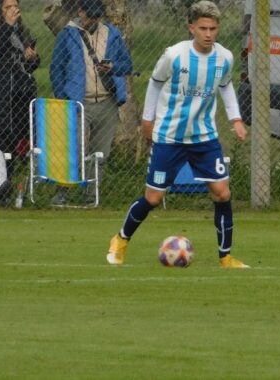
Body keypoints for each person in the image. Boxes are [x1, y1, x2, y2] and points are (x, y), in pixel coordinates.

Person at [106, 1, 250, 269]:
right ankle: (121, 240)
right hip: (169, 137)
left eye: (213, 28)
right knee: (153, 198)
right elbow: (155, 83)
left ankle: (226, 258)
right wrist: (148, 120)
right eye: (203, 28)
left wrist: (236, 119)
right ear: (191, 27)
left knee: (222, 193)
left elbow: (227, 86)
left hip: (204, 138)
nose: (208, 34)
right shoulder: (175, 55)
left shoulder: (224, 58)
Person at [50, 0, 133, 205]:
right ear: (81, 12)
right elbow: (56, 69)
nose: (94, 21)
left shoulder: (112, 34)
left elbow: (127, 64)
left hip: (107, 101)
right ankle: (63, 192)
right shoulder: (68, 34)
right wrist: (64, 97)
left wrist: (112, 67)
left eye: (97, 16)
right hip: (79, 102)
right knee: (74, 150)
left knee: (100, 153)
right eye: (90, 16)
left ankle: (91, 197)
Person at [0, 0, 40, 156]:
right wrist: (7, 26)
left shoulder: (21, 31)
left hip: (20, 92)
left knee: (20, 135)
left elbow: (28, 66)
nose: (13, 10)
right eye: (8, 7)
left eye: (15, 6)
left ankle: (18, 168)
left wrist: (32, 58)